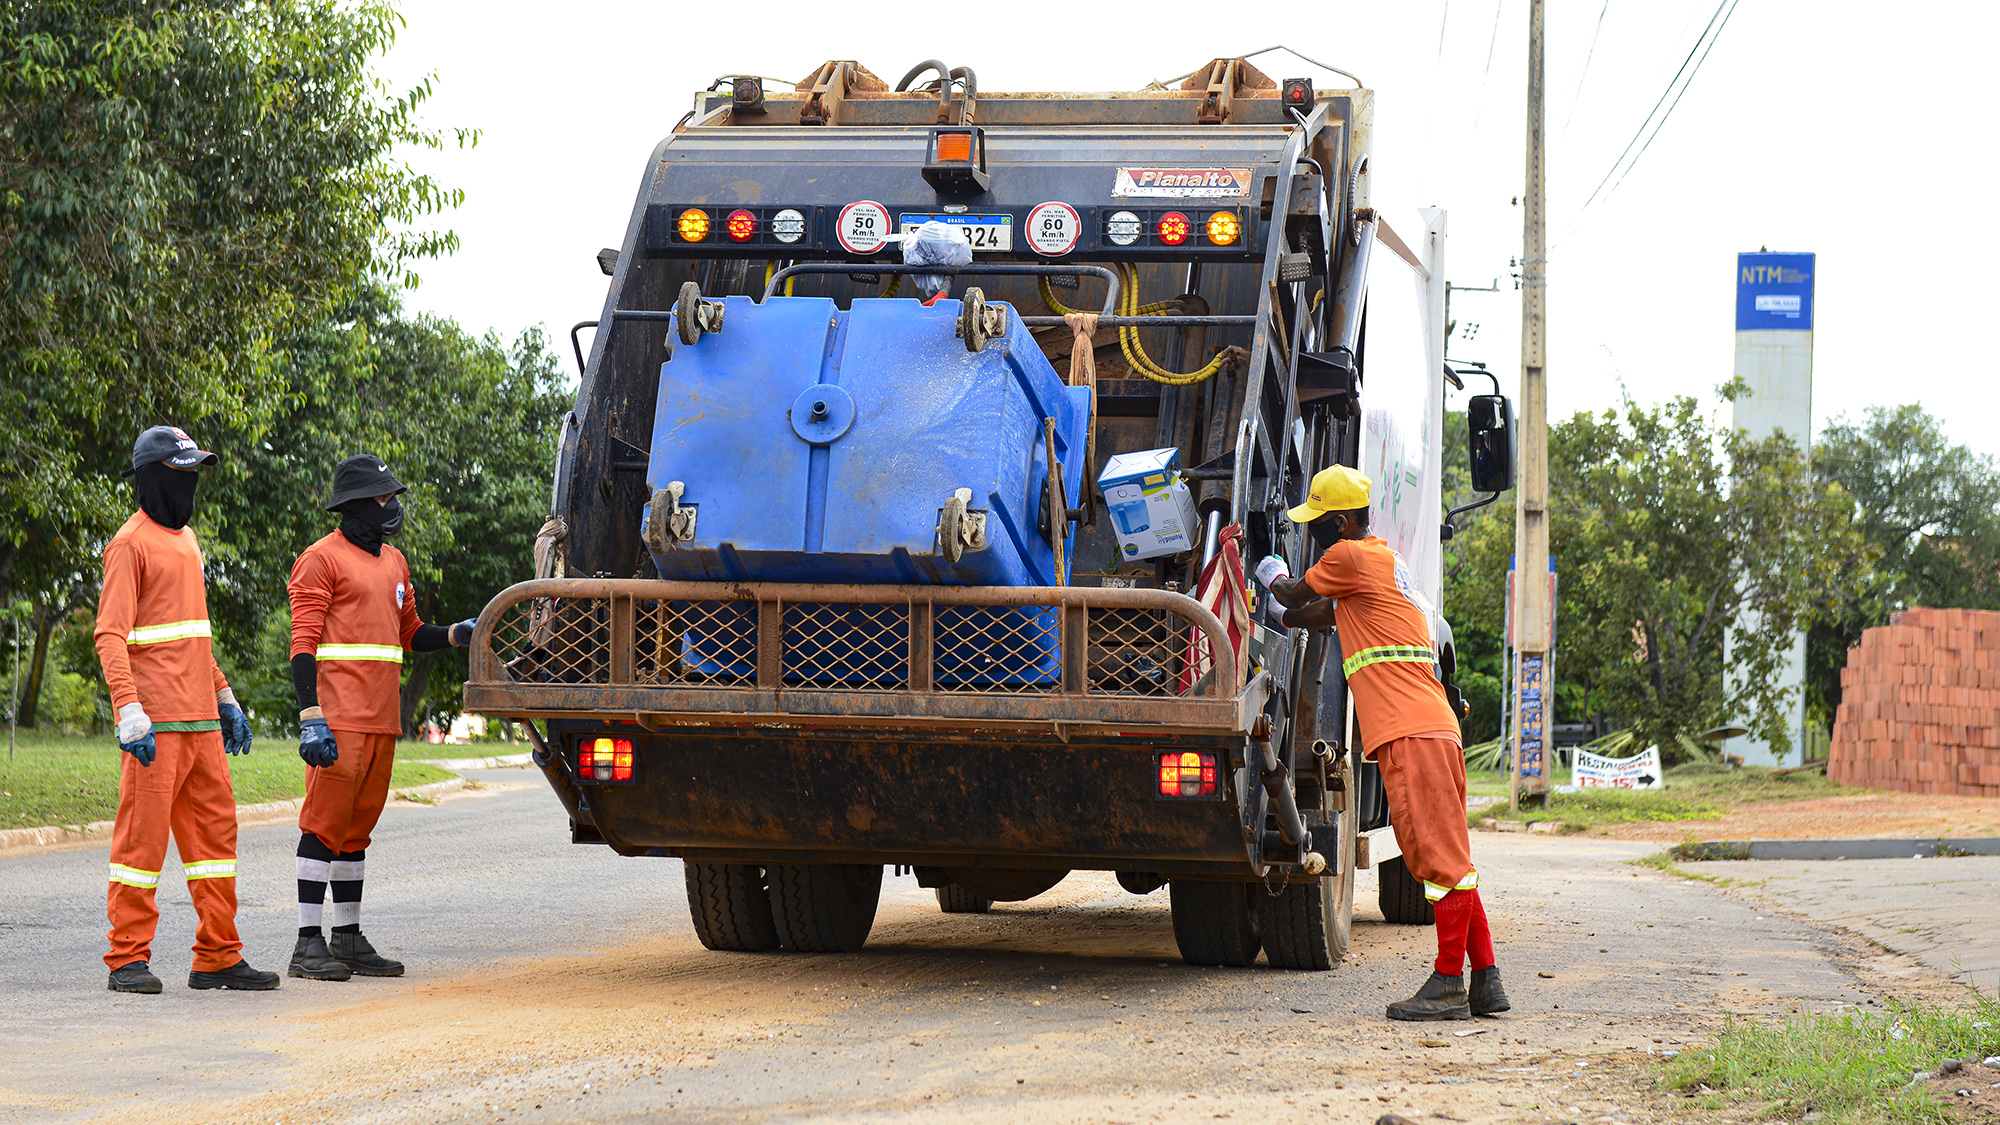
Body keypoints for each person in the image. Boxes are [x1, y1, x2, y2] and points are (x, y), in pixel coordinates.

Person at [1257, 464, 1508, 1022]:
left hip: (1410, 730)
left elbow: (1296, 590)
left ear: (1340, 522)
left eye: (1316, 524)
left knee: (1436, 861)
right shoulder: (1382, 567)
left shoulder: (1347, 557)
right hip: (1433, 726)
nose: (1311, 534)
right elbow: (1311, 611)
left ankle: (1449, 984)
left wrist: (1270, 574)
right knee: (1454, 859)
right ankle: (1486, 977)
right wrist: (1281, 609)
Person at [94, 426, 277, 993]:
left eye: (195, 471)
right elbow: (109, 635)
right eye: (180, 472)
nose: (190, 482)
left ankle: (218, 956)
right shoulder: (129, 544)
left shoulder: (189, 540)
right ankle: (127, 959)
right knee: (139, 846)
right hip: (156, 725)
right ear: (152, 479)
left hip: (200, 722)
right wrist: (128, 710)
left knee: (215, 847)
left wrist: (224, 696)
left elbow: (193, 636)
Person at [285, 454, 474, 981]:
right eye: (385, 498)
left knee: (355, 831)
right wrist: (310, 715)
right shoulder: (319, 560)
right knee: (323, 827)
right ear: (357, 505)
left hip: (382, 720)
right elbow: (303, 645)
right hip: (338, 720)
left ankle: (345, 938)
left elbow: (410, 633)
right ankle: (306, 944)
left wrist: (456, 633)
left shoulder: (395, 561)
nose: (392, 507)